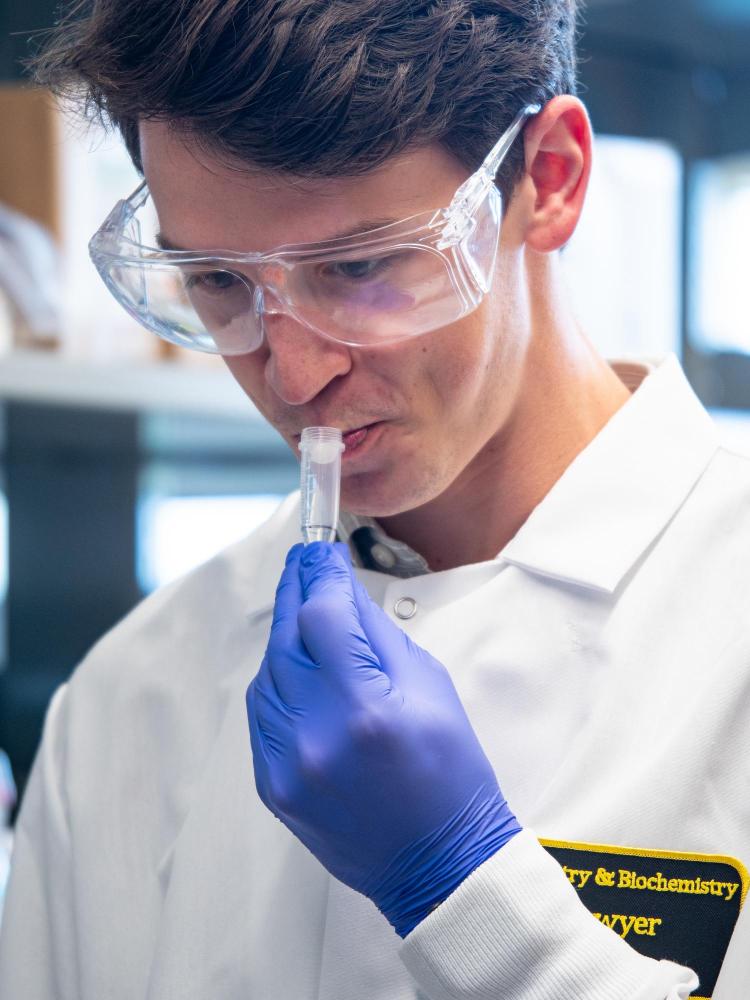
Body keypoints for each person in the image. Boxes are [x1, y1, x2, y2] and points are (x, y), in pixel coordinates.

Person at [1, 0, 748, 997]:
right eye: (219, 280)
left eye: (358, 267)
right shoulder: (126, 704)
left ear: (552, 179)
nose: (296, 373)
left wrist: (459, 881)